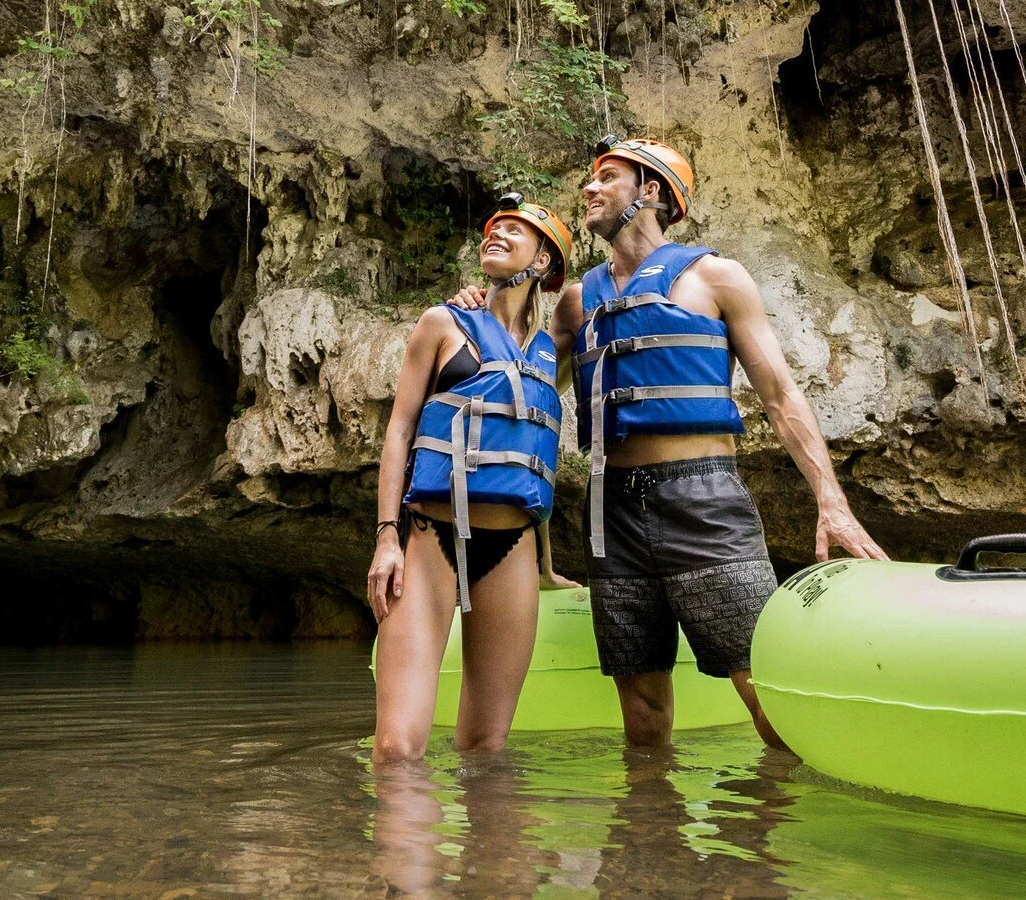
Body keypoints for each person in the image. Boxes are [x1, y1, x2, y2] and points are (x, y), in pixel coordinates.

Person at [461, 138, 887, 749]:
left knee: (764, 690)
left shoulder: (717, 277)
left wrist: (832, 503)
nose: (590, 188)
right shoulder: (578, 300)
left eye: (608, 177)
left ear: (651, 191)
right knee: (641, 712)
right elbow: (520, 381)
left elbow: (780, 395)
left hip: (704, 500)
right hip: (610, 511)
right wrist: (481, 304)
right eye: (591, 179)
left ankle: (782, 812)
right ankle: (651, 814)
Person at [368, 196, 575, 763]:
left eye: (515, 230)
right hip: (430, 538)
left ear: (543, 261)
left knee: (486, 747)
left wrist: (546, 568)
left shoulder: (550, 351)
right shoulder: (442, 323)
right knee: (397, 748)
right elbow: (399, 431)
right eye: (492, 229)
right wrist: (387, 538)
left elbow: (530, 458)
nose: (496, 235)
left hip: (513, 547)